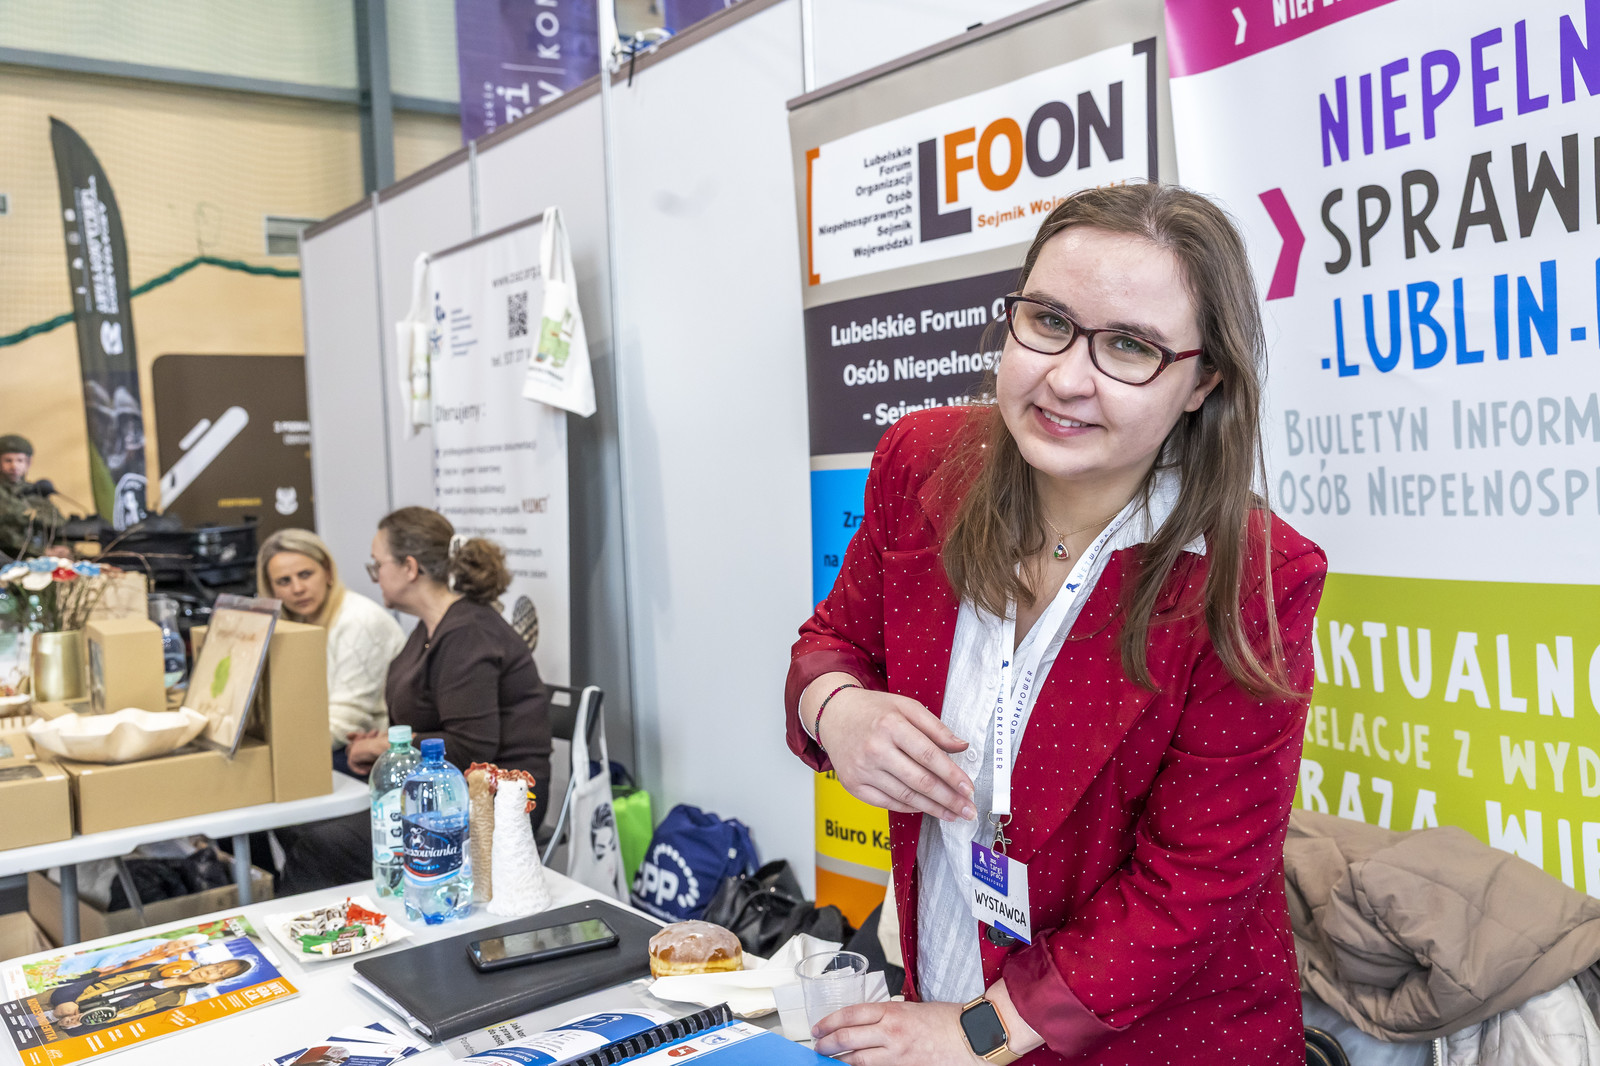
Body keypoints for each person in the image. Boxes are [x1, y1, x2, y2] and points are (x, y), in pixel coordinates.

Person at [786, 183, 1326, 1065]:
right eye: (1048, 322)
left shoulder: (1252, 576)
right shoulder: (921, 462)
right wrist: (837, 710)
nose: (1068, 379)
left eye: (1130, 347)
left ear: (1204, 382)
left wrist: (977, 1033)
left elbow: (1195, 884)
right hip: (944, 983)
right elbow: (831, 645)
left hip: (1149, 1039)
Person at [278, 507, 552, 893]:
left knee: (319, 846)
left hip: (495, 806)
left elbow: (471, 748)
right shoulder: (431, 628)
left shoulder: (467, 634)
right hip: (445, 793)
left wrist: (385, 747)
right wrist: (385, 742)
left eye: (378, 565)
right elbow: (428, 721)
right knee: (299, 826)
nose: (376, 577)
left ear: (409, 567)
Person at [256, 528, 406, 764]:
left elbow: (347, 723)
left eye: (305, 574)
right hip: (319, 745)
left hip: (366, 755)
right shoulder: (294, 623)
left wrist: (276, 754)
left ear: (327, 571)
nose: (297, 589)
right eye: (284, 581)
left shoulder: (359, 621)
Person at [47, 958, 251, 1031]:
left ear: (215, 981)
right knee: (58, 1003)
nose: (210, 971)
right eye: (217, 966)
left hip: (90, 1020)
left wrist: (82, 1022)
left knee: (65, 1029)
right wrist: (73, 999)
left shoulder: (175, 1001)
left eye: (220, 973)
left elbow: (127, 1022)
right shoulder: (158, 968)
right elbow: (107, 976)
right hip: (78, 995)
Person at [0, 434, 65, 558]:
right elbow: (6, 534)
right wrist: (41, 552)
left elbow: (57, 526)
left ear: (28, 463)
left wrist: (64, 548)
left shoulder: (35, 492)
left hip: (38, 559)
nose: (14, 466)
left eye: (20, 460)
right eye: (8, 460)